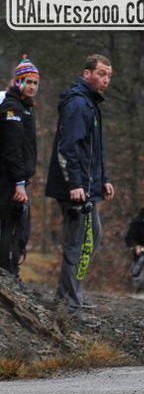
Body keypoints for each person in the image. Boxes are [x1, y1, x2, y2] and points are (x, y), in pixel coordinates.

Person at [45, 54, 115, 326]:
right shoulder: (77, 103)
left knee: (92, 238)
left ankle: (69, 293)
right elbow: (68, 148)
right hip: (75, 190)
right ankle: (69, 305)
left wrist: (104, 179)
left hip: (89, 188)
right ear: (87, 74)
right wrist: (74, 184)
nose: (105, 79)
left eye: (108, 75)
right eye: (101, 74)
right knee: (79, 244)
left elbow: (93, 150)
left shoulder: (90, 103)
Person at [0, 56, 40, 276]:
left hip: (19, 179)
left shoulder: (25, 106)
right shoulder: (12, 107)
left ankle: (11, 272)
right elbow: (12, 149)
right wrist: (19, 182)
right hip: (10, 180)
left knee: (19, 230)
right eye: (28, 81)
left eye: (35, 83)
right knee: (10, 227)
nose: (32, 87)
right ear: (17, 82)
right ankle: (7, 276)